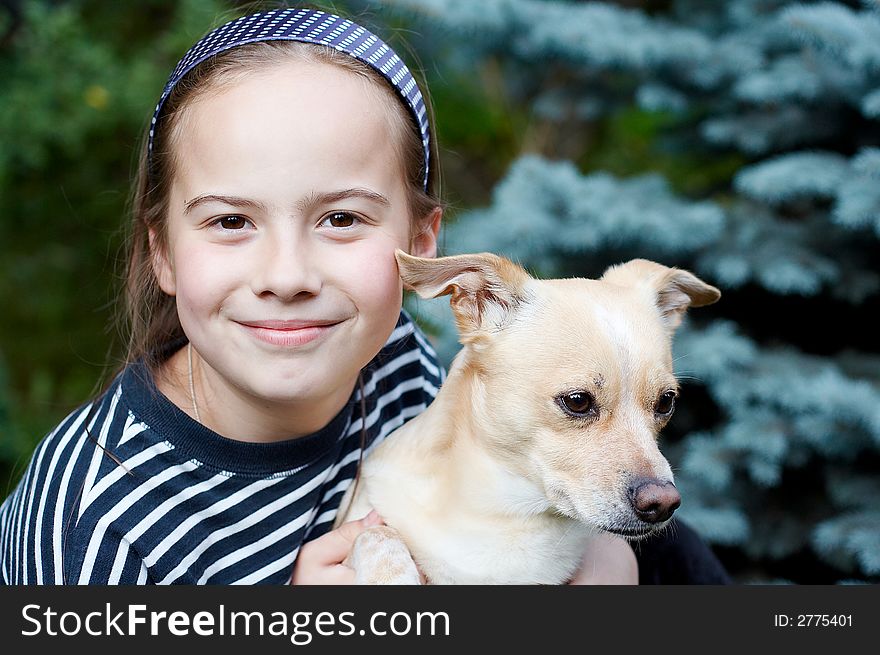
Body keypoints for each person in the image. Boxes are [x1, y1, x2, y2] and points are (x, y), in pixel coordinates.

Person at [0, 6, 728, 585]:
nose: (287, 275)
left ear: (424, 242)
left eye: (340, 218)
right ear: (161, 252)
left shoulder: (401, 367)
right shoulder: (92, 522)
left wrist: (611, 558)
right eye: (231, 221)